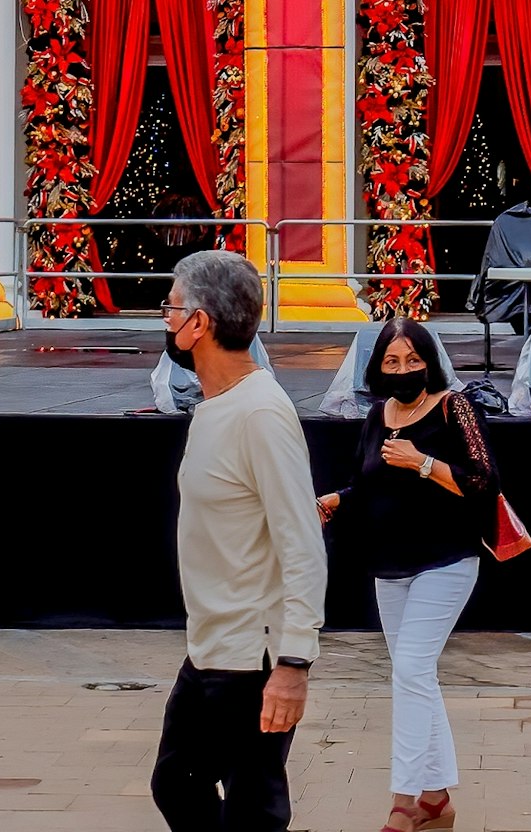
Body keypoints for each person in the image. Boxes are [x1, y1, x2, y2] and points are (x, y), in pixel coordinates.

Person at [152, 248, 322, 832]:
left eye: (170, 308)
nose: (165, 320)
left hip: (253, 657)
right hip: (210, 648)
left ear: (200, 323)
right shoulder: (217, 405)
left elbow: (302, 543)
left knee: (253, 807)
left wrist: (294, 663)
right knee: (175, 782)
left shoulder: (261, 413)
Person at [312, 317, 491, 832]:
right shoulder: (376, 416)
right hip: (389, 568)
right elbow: (365, 486)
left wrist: (422, 462)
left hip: (448, 561)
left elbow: (483, 481)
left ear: (430, 361)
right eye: (392, 361)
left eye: (413, 359)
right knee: (417, 676)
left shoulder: (457, 409)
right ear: (378, 367)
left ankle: (402, 802)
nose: (404, 369)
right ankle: (436, 798)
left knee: (410, 670)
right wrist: (335, 500)